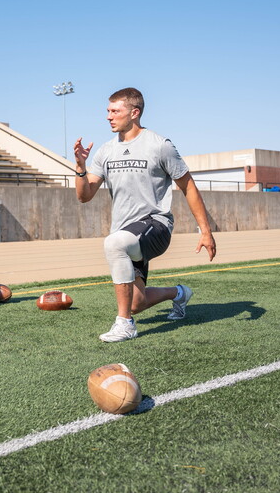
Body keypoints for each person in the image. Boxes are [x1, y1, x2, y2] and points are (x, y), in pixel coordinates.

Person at [74, 87, 217, 343]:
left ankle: (125, 325)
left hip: (156, 225)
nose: (108, 116)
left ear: (134, 113)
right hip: (127, 233)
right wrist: (80, 168)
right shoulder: (106, 151)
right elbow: (84, 196)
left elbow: (188, 186)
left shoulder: (159, 145)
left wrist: (205, 231)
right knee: (136, 302)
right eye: (108, 111)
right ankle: (179, 293)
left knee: (113, 243)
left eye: (115, 111)